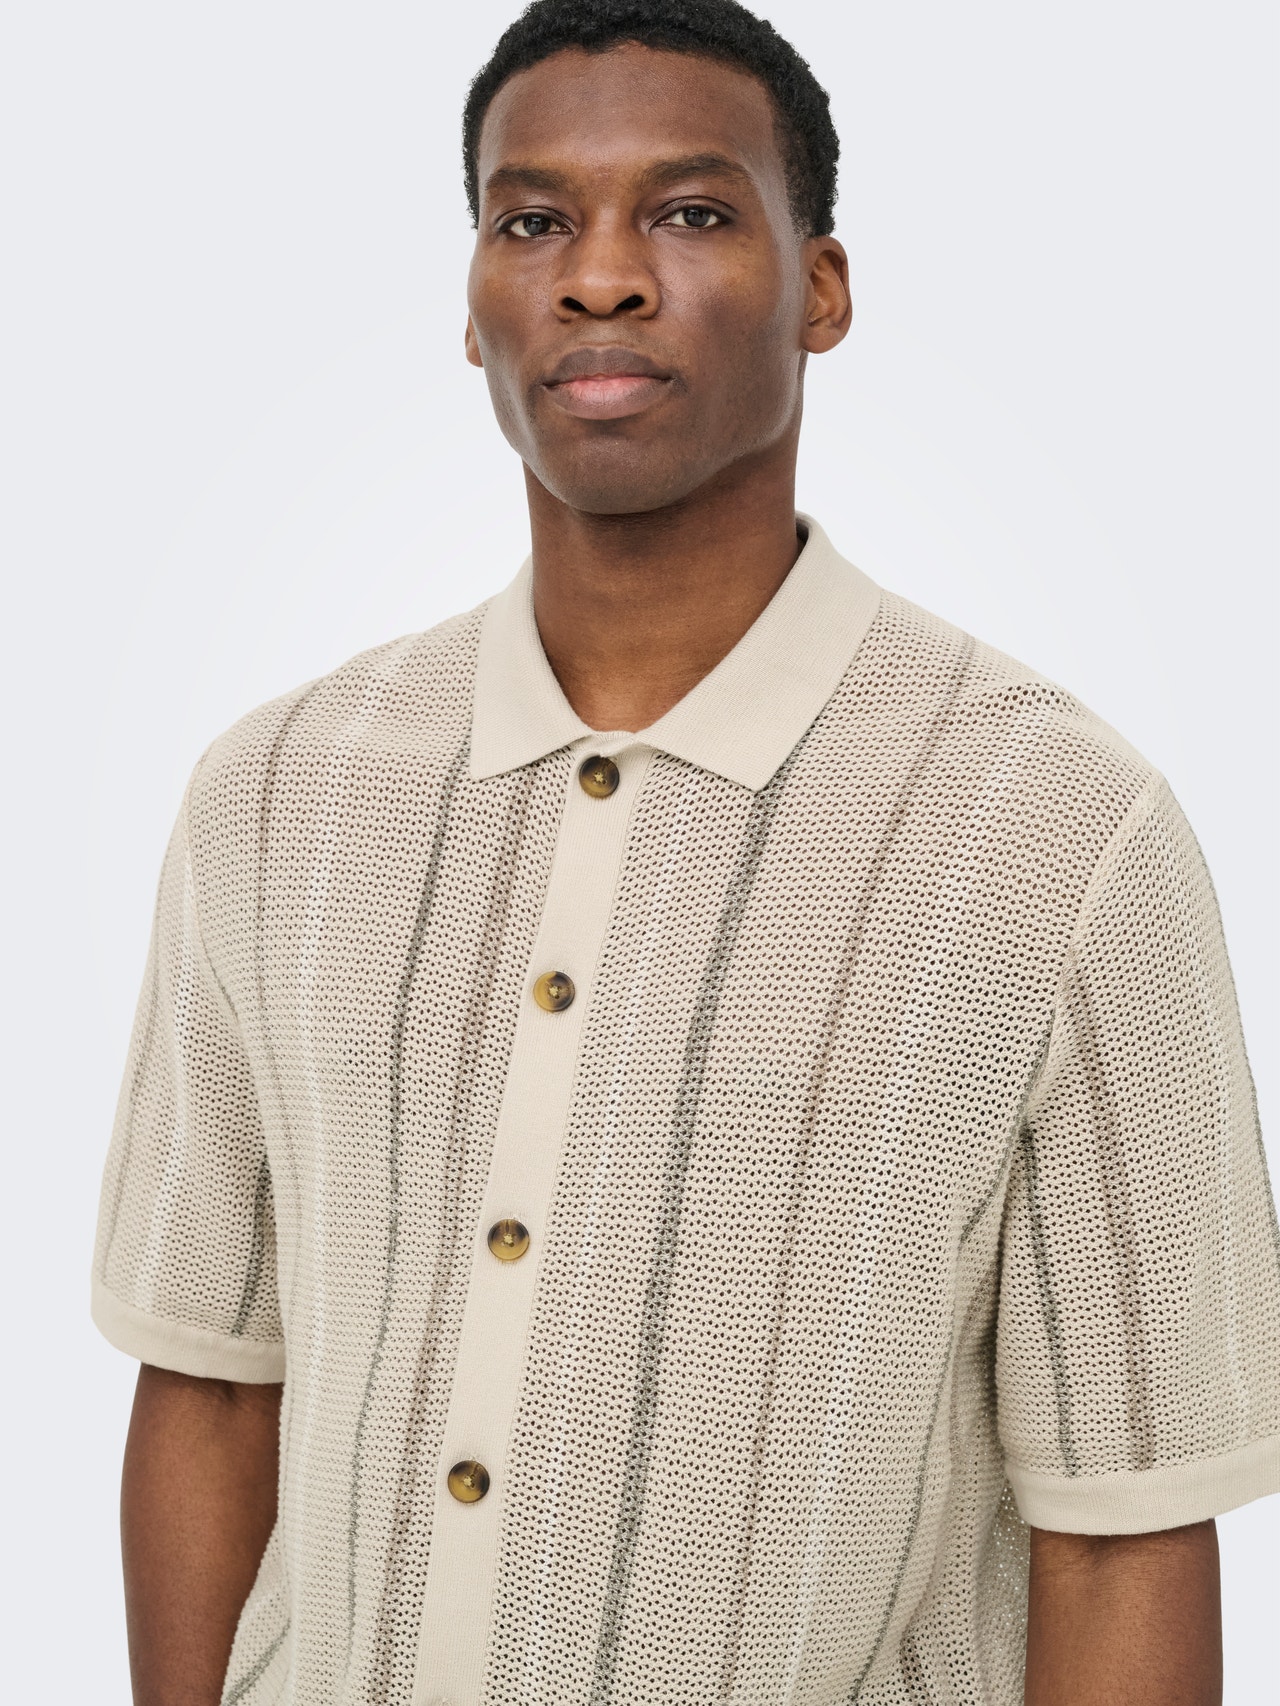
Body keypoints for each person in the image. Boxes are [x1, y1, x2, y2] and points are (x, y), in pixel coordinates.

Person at [91, 2, 1280, 1702]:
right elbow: (212, 1382)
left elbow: (1123, 1527)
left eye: (694, 211)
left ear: (822, 288)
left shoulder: (1061, 836)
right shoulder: (275, 800)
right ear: (475, 302)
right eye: (532, 220)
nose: (599, 277)